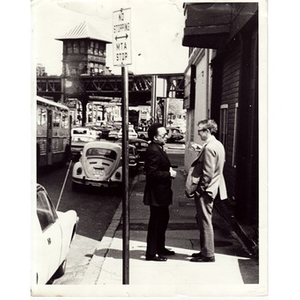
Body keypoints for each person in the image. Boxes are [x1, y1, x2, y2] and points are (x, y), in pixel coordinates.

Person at [186, 119, 227, 262]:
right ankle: (205, 250)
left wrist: (200, 189)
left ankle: (208, 254)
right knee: (204, 219)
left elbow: (208, 173)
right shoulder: (217, 145)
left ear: (208, 131)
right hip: (214, 188)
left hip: (206, 190)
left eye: (200, 131)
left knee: (204, 221)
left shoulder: (209, 148)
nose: (198, 134)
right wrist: (200, 150)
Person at [143, 123, 177, 261]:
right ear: (155, 137)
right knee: (156, 223)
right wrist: (169, 174)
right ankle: (151, 253)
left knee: (162, 221)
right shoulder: (153, 150)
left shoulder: (158, 148)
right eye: (163, 135)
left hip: (161, 194)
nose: (166, 136)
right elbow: (151, 173)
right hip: (156, 194)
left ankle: (160, 248)